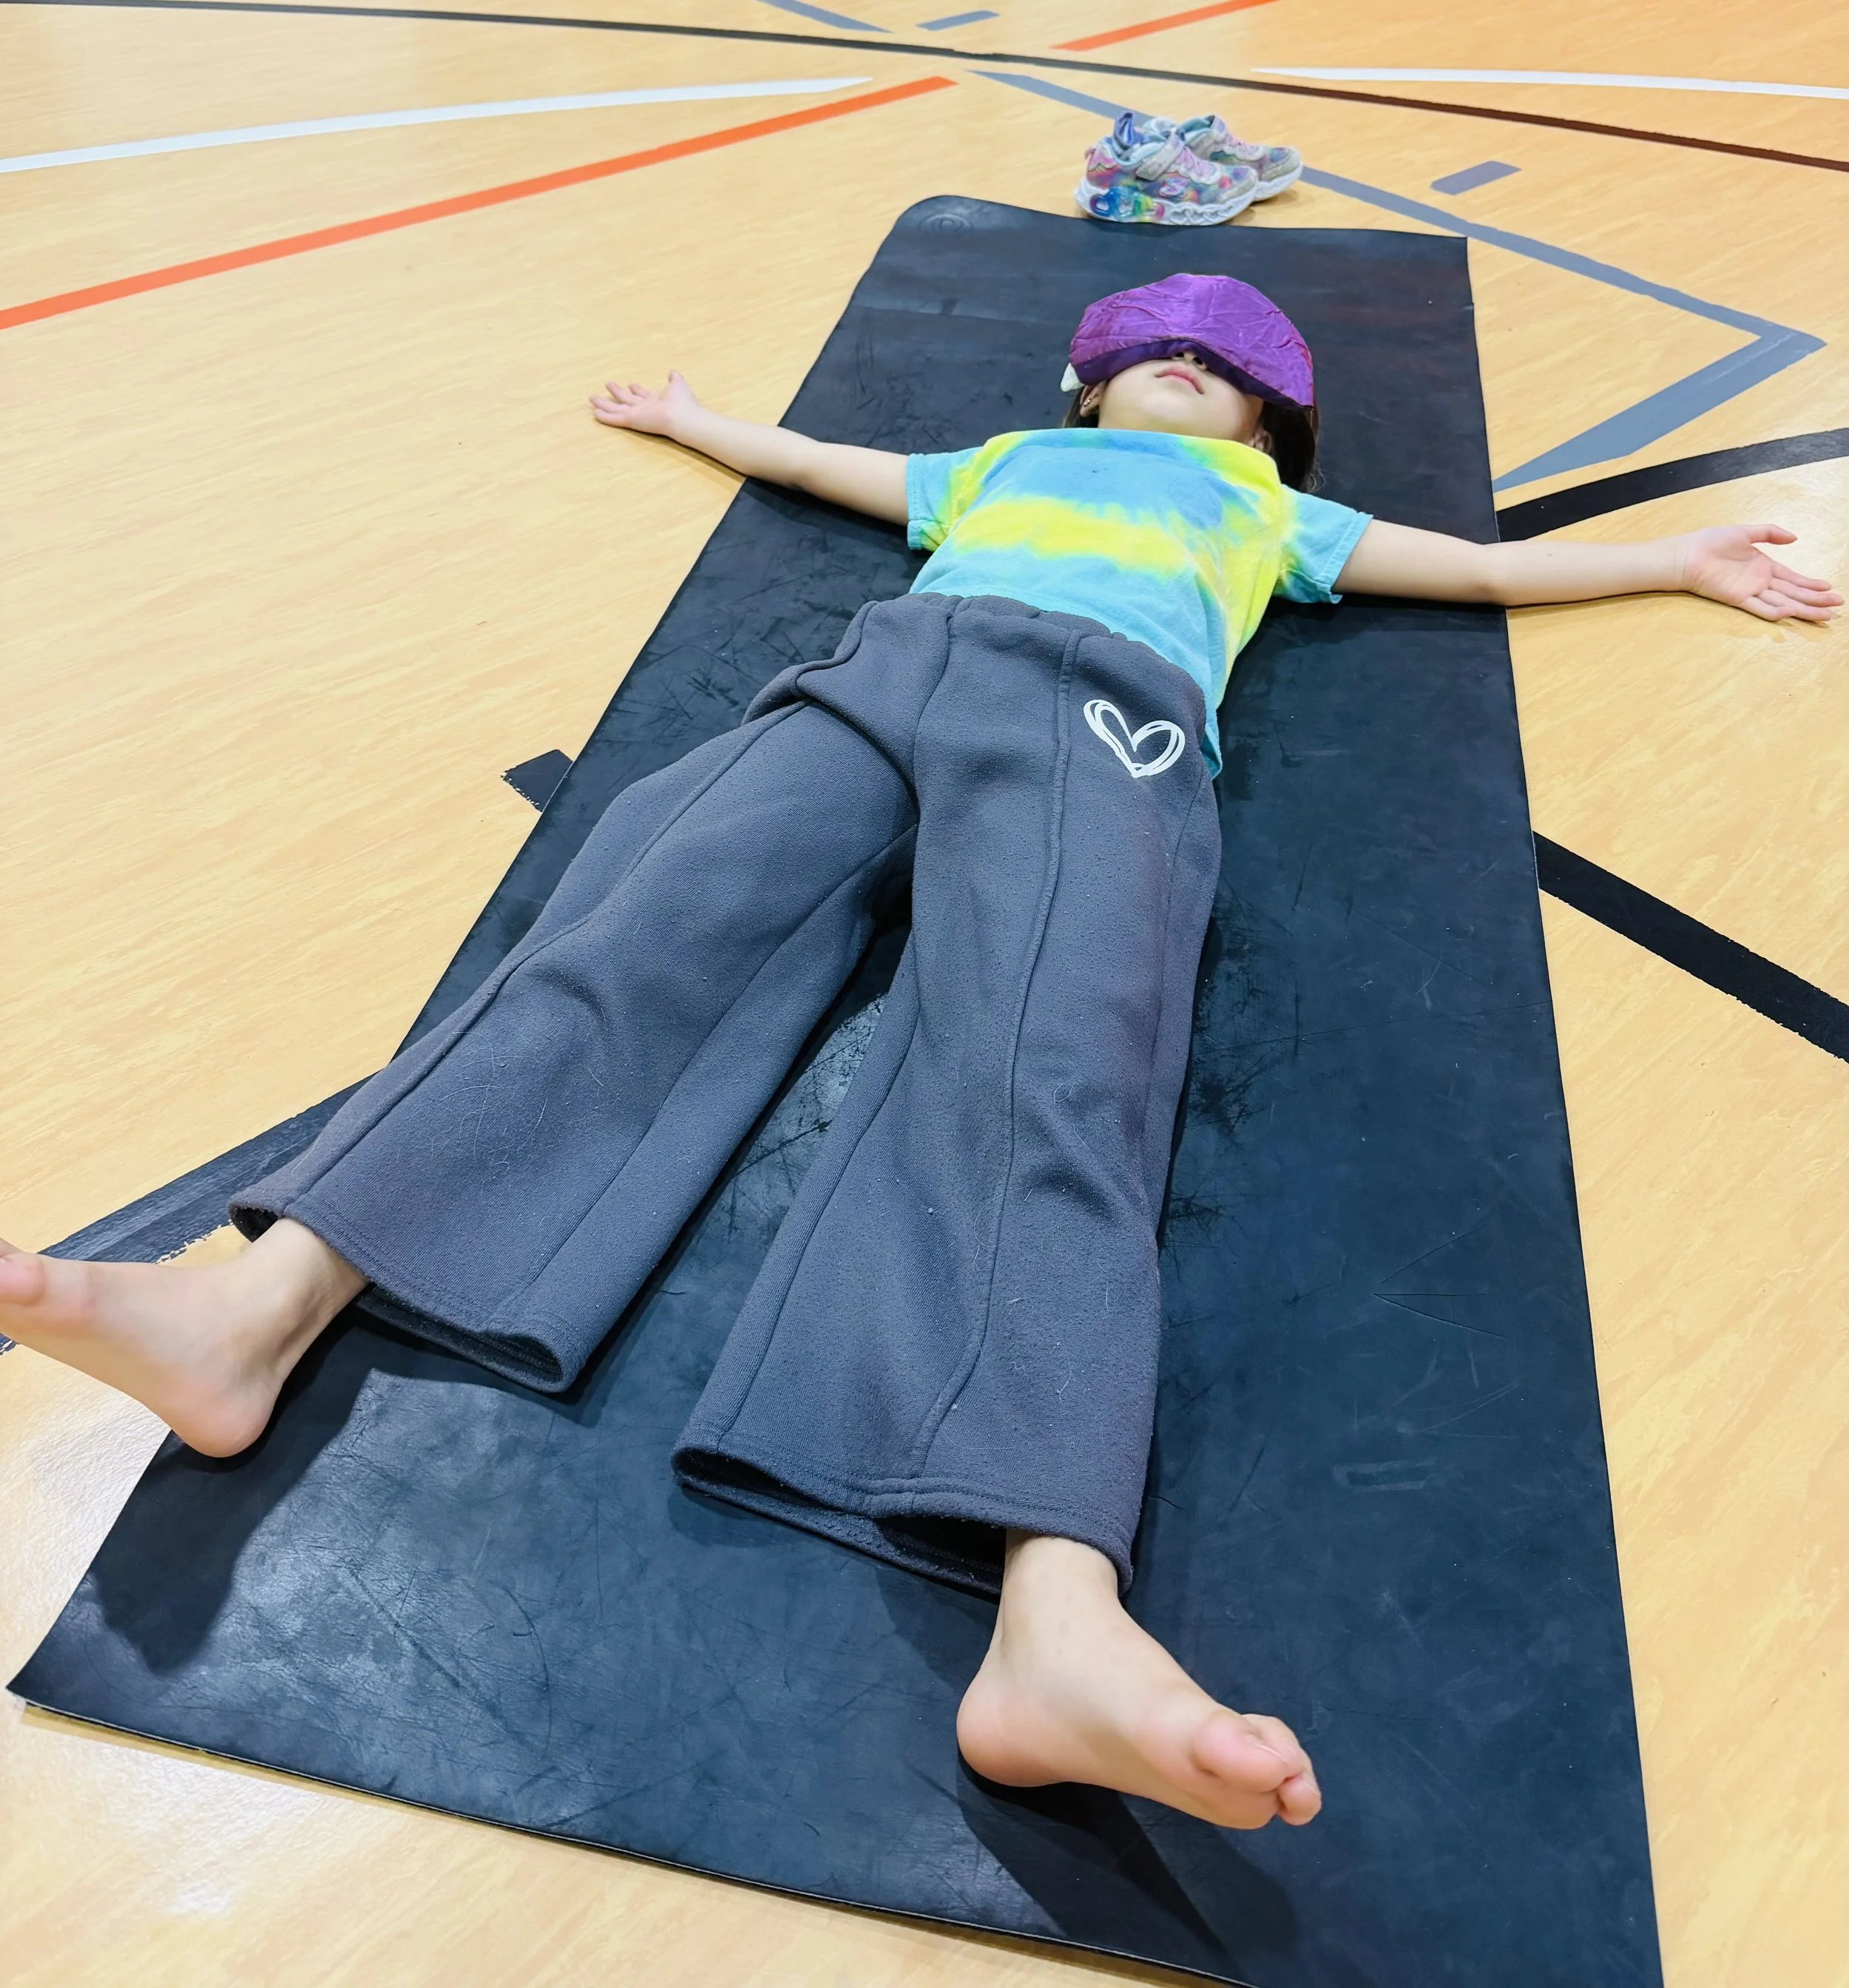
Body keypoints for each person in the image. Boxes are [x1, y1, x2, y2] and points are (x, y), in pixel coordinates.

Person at [1, 274, 1835, 1837]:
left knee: (1049, 1081)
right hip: (881, 673)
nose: (1190, 373)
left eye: (1229, 377)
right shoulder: (1004, 465)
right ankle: (251, 1310)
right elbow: (825, 470)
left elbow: (1467, 565)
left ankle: (1053, 1610)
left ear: (1270, 437)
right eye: (1156, 354)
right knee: (620, 947)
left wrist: (1675, 555)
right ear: (1084, 385)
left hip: (1097, 731)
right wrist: (698, 418)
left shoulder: (1262, 517)